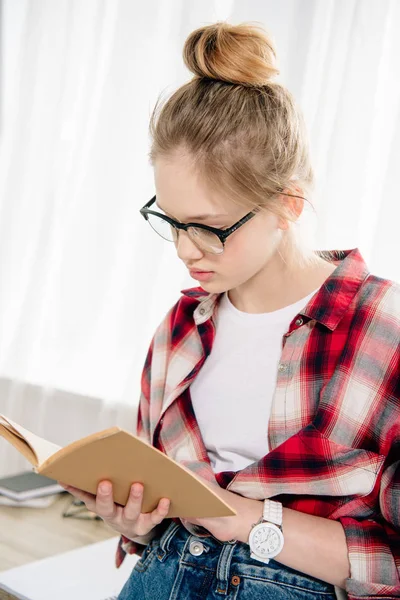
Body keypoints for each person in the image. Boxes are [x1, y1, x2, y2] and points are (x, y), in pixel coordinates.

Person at [59, 21, 400, 600]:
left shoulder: (381, 331)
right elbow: (154, 512)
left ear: (288, 203)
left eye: (211, 227)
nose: (187, 249)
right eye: (170, 221)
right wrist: (133, 522)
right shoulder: (181, 328)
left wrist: (245, 518)